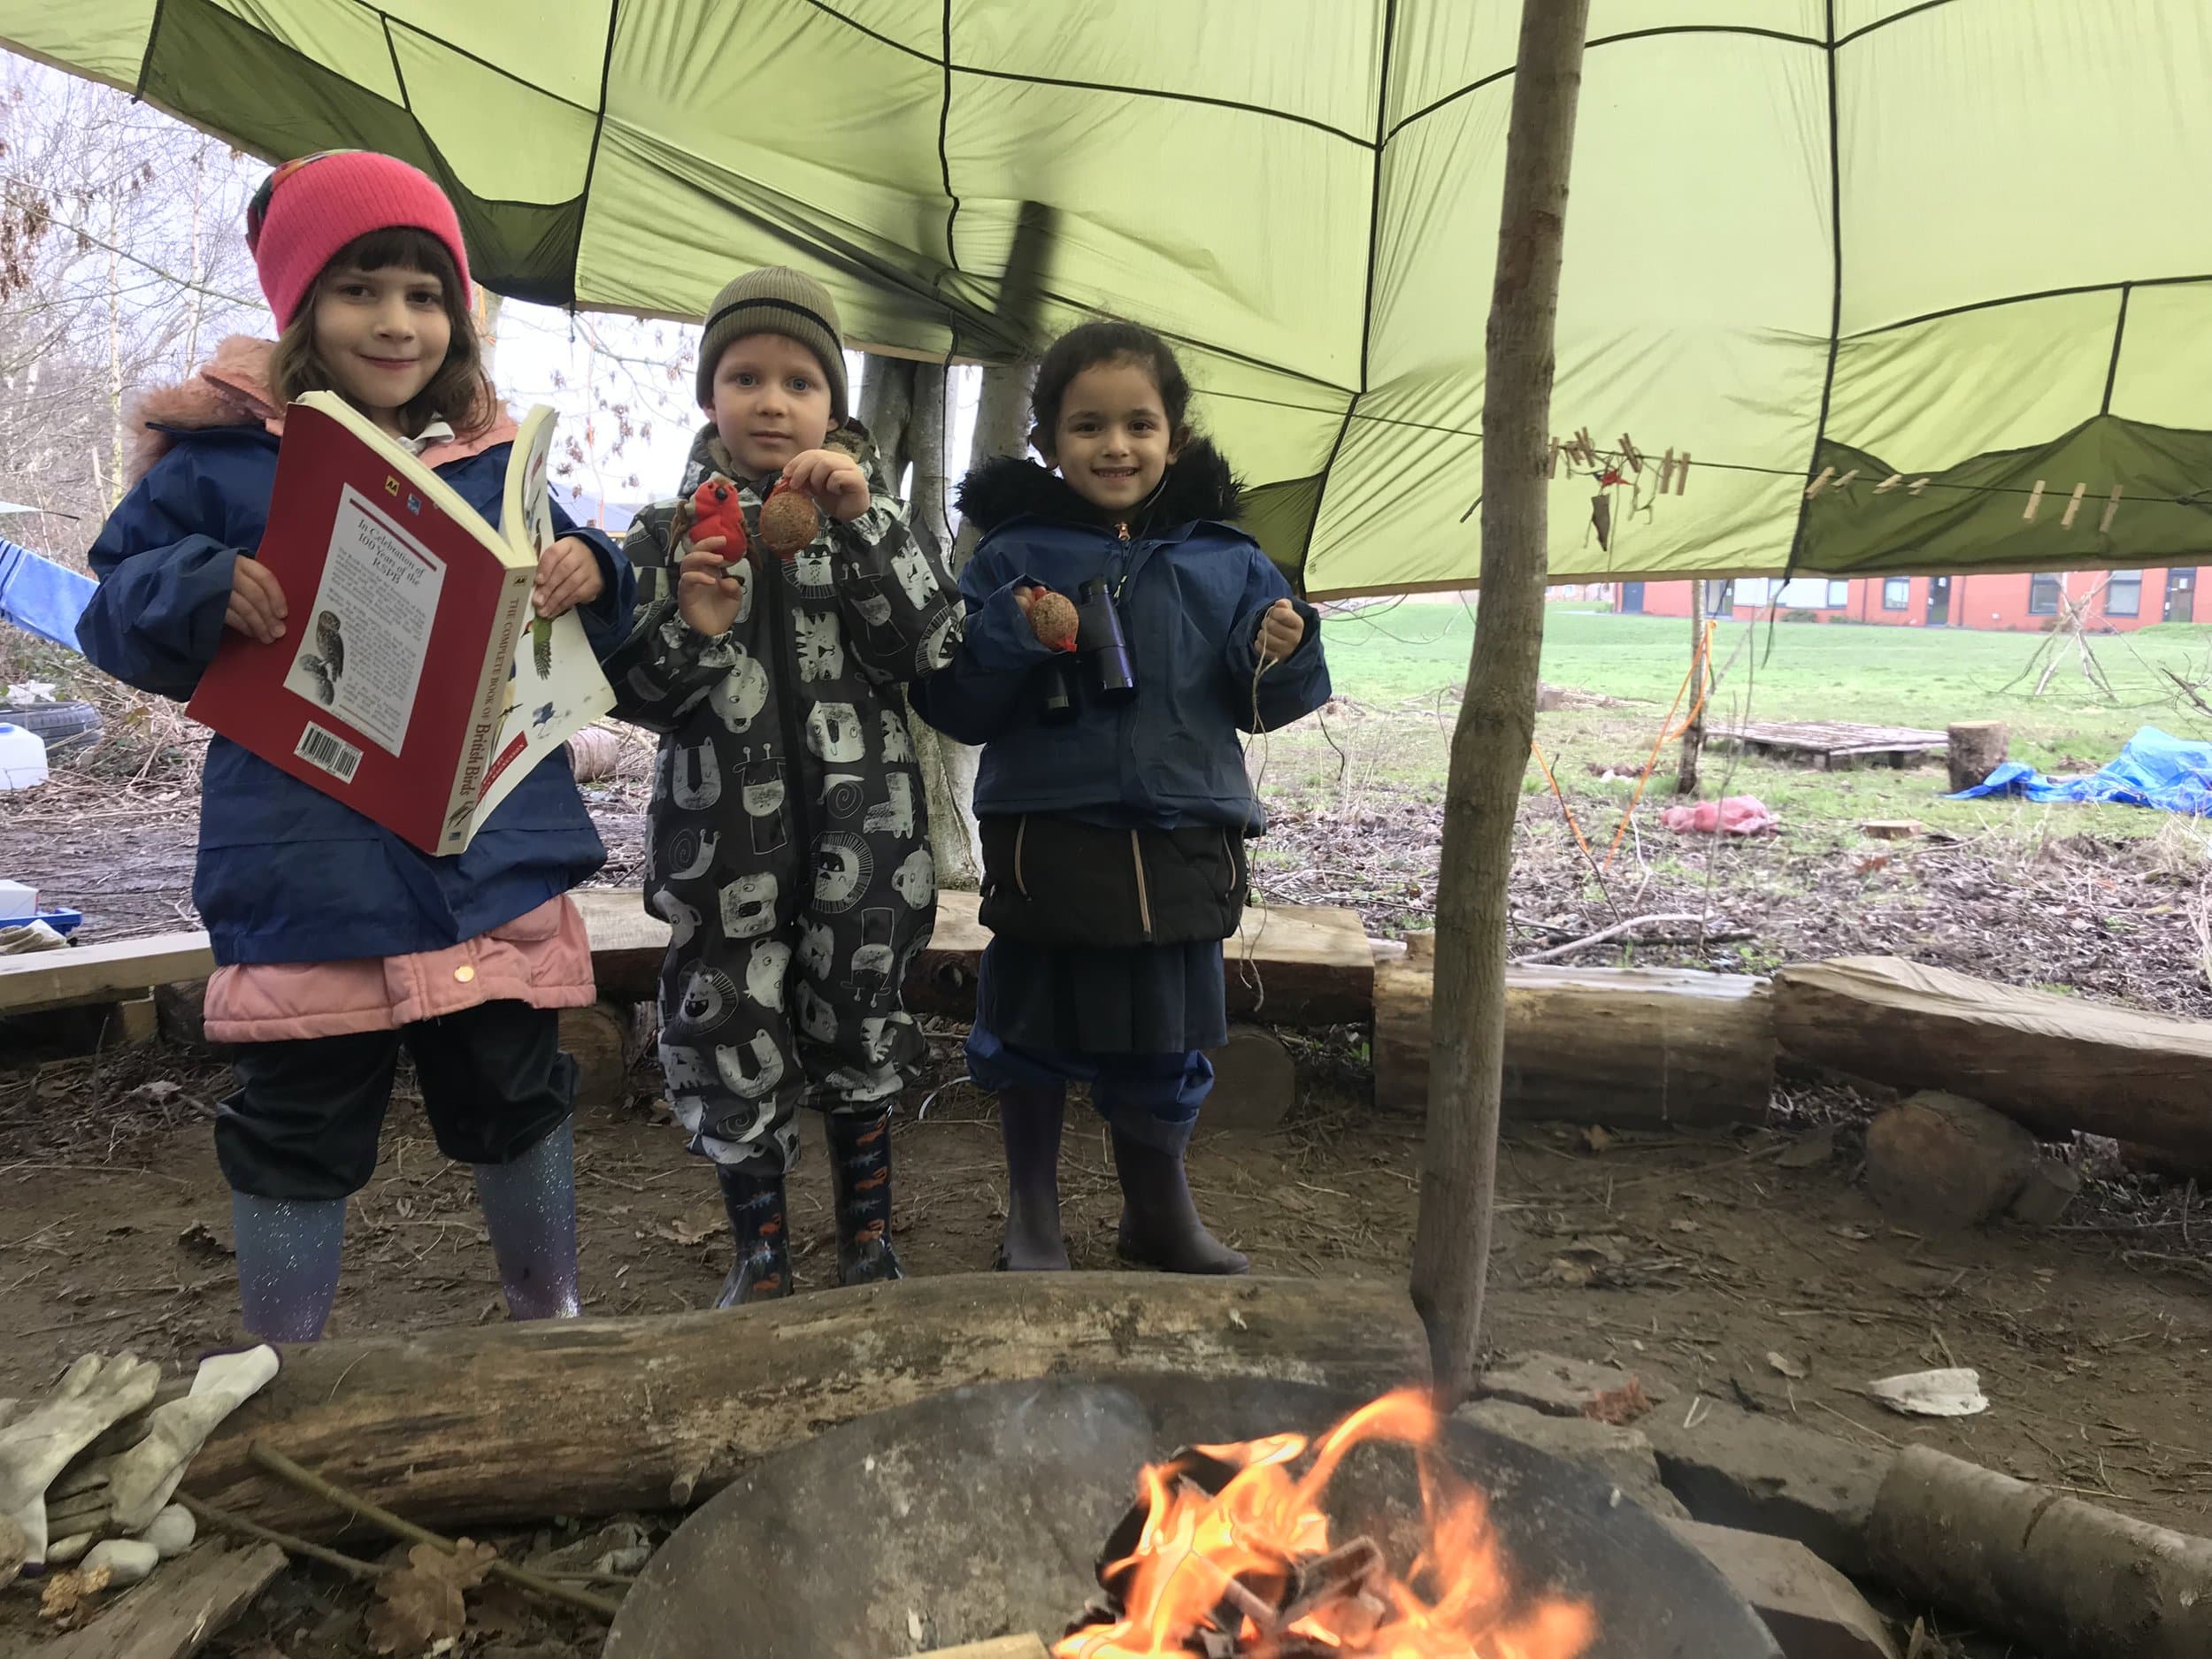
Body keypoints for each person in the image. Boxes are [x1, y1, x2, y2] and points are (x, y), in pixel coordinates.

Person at [77, 151, 635, 1341]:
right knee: (299, 1114)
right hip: (310, 864)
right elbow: (112, 607)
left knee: (518, 1090)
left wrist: (599, 571)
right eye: (361, 289)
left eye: (426, 295)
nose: (397, 321)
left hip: (488, 854)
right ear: (300, 308)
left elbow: (594, 608)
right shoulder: (224, 462)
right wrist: (203, 583)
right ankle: (288, 1363)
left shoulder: (494, 459)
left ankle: (553, 1323)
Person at [913, 319, 1330, 1274]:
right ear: (1049, 444)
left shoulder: (1227, 560)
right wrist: (1014, 636)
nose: (1114, 446)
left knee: (1164, 1034)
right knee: (1029, 1029)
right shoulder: (1008, 558)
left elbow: (1267, 705)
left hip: (1183, 840)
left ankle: (1157, 1212)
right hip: (1048, 842)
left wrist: (1285, 648)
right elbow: (957, 704)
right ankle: (1033, 1215)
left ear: (1173, 440)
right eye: (1087, 426)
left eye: (1138, 425)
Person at [605, 268, 960, 1304]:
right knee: (728, 1039)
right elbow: (636, 693)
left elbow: (931, 646)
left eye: (799, 381)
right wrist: (692, 628)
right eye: (745, 376)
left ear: (834, 407)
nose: (772, 400)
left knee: (859, 1028)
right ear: (709, 396)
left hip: (871, 856)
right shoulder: (667, 532)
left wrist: (863, 527)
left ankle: (868, 1241)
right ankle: (760, 1253)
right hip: (720, 860)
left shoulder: (872, 519)